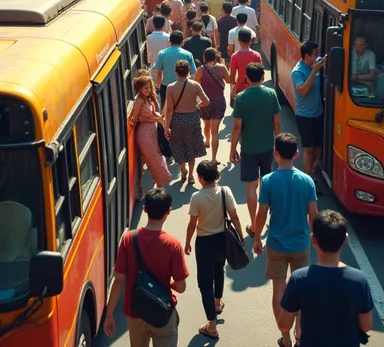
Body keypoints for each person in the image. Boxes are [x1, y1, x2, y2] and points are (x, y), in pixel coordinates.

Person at [254, 133, 318, 347]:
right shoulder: (307, 181)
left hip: (276, 244)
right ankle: (300, 332)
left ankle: (286, 336)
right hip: (301, 244)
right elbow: (314, 214)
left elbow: (262, 213)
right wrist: (315, 237)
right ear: (296, 154)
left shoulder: (268, 181)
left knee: (278, 289)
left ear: (275, 153)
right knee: (301, 290)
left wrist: (256, 237)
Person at [103, 188, 189, 347]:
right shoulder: (173, 245)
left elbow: (119, 280)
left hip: (135, 312)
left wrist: (109, 315)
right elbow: (181, 287)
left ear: (144, 210)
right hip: (163, 313)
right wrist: (166, 284)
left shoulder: (129, 239)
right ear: (168, 212)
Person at [278, 210, 374, 347]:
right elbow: (366, 326)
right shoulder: (359, 280)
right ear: (345, 239)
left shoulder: (299, 278)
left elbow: (284, 324)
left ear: (313, 239)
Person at [185, 161, 244, 341]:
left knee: (204, 283)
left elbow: (193, 223)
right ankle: (217, 303)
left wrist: (187, 242)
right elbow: (234, 217)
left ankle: (211, 325)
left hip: (204, 243)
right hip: (222, 241)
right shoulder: (225, 192)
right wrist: (241, 237)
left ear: (201, 178)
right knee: (219, 271)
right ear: (217, 176)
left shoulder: (197, 197)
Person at [230, 62, 281, 237]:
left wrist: (232, 149)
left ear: (246, 78)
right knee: (267, 184)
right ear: (262, 77)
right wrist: (279, 144)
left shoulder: (241, 97)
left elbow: (236, 127)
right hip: (268, 146)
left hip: (249, 148)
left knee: (251, 187)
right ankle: (269, 220)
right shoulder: (271, 94)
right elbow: (277, 122)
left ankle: (253, 225)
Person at [165, 59, 209, 184]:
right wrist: (196, 106)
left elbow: (169, 110)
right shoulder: (195, 85)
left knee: (177, 146)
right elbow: (206, 101)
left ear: (176, 72)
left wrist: (167, 127)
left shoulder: (170, 88)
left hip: (177, 120)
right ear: (188, 71)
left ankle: (182, 169)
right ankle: (190, 175)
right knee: (191, 146)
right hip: (192, 119)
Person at [130, 73, 171, 198]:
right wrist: (151, 118)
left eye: (149, 87)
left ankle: (159, 187)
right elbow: (134, 119)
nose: (148, 90)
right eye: (145, 88)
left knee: (156, 157)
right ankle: (160, 188)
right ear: (140, 89)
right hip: (144, 134)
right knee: (154, 159)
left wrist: (154, 117)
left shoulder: (147, 98)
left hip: (152, 132)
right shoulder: (139, 100)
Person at [291, 41, 327, 181]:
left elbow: (324, 59)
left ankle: (314, 168)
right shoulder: (298, 72)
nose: (318, 57)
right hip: (305, 117)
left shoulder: (315, 63)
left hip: (318, 114)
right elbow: (303, 91)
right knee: (309, 150)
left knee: (318, 148)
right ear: (307, 56)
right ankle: (308, 179)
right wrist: (314, 72)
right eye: (315, 54)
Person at [194, 48, 230, 161]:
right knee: (215, 131)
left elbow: (195, 85)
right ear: (215, 57)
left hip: (205, 102)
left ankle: (207, 140)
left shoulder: (201, 70)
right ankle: (214, 158)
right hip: (219, 101)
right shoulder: (222, 68)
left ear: (204, 58)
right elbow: (229, 80)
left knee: (206, 124)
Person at [155, 31, 196, 109]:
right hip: (183, 86)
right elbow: (193, 72)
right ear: (182, 42)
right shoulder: (188, 54)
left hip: (166, 86)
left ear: (169, 42)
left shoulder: (162, 53)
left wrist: (159, 87)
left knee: (166, 109)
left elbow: (159, 73)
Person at [230, 28, 262, 100]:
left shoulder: (235, 56)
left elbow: (232, 76)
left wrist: (232, 90)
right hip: (255, 89)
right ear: (250, 41)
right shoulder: (257, 55)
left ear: (238, 41)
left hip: (240, 89)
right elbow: (261, 74)